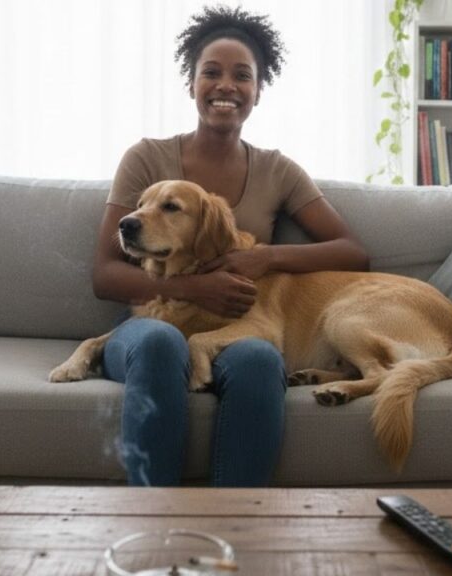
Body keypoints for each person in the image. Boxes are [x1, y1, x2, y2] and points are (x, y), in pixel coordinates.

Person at [93, 5, 369, 487]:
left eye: (242, 76)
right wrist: (196, 288)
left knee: (262, 361)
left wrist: (265, 256)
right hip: (150, 321)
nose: (226, 86)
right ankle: (155, 521)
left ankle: (238, 528)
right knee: (160, 343)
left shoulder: (277, 170)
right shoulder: (146, 158)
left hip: (230, 325)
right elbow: (104, 274)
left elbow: (352, 251)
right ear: (191, 83)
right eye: (211, 73)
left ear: (258, 91)